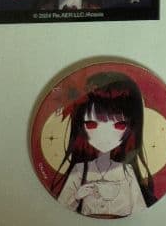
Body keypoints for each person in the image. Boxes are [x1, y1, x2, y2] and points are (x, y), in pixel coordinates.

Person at [50, 71, 156, 216]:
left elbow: (140, 210)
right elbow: (60, 207)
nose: (104, 136)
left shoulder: (128, 172)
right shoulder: (80, 170)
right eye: (91, 124)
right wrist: (77, 196)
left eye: (119, 125)